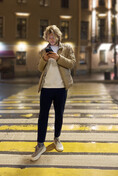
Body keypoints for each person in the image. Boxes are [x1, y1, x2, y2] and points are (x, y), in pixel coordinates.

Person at [31, 25, 76, 161]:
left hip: (61, 88)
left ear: (58, 36)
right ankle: (40, 144)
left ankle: (57, 138)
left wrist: (58, 58)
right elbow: (39, 69)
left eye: (53, 35)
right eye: (49, 36)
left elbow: (72, 64)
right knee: (42, 116)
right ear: (46, 37)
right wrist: (43, 59)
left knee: (59, 115)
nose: (51, 38)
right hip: (46, 88)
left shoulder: (67, 48)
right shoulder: (43, 51)